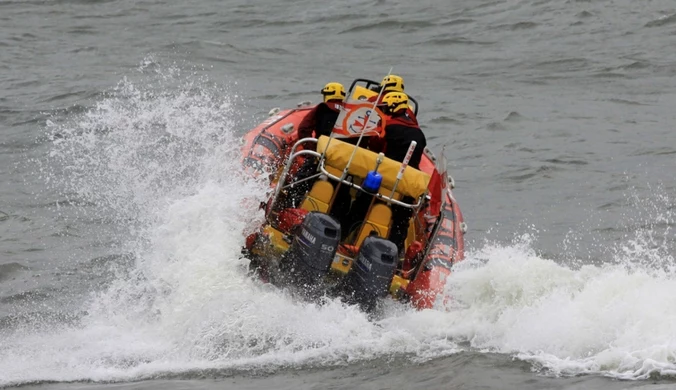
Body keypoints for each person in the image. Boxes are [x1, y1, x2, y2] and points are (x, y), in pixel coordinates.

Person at [379, 91, 427, 253]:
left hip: (384, 179)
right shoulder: (419, 135)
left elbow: (377, 148)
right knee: (402, 220)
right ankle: (394, 253)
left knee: (362, 202)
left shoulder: (387, 127)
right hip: (407, 184)